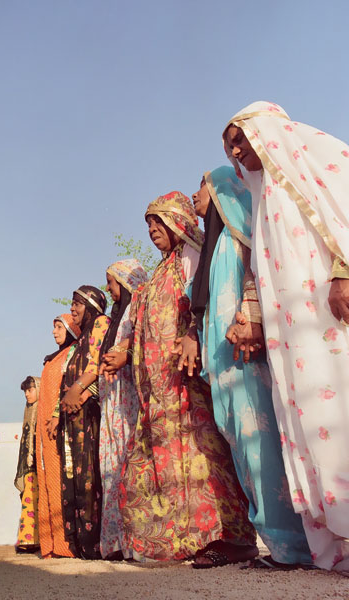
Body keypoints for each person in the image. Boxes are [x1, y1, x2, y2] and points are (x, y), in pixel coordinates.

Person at [224, 101, 349, 571]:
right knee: (310, 419)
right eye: (230, 145)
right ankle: (335, 541)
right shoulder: (262, 198)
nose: (237, 149)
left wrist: (343, 272)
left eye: (240, 136)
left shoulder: (315, 156)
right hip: (293, 336)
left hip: (331, 319)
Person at [118, 191, 257, 566]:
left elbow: (202, 302)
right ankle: (184, 537)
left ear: (177, 220)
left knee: (200, 453)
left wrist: (193, 333)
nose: (151, 231)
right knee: (165, 460)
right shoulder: (162, 268)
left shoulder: (191, 255)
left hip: (185, 381)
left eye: (157, 222)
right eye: (148, 225)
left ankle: (228, 536)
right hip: (158, 391)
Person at [184, 166, 312, 569]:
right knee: (242, 448)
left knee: (262, 448)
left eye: (200, 188)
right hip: (223, 365)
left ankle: (294, 546)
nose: (194, 196)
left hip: (246, 357)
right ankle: (278, 544)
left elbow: (260, 280)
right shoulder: (217, 243)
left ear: (221, 191)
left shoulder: (244, 234)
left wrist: (250, 319)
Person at [97, 259, 148, 560]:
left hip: (131, 399)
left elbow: (145, 341)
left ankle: (135, 541)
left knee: (130, 466)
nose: (108, 289)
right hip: (113, 404)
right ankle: (116, 542)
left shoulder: (137, 310)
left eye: (112, 282)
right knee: (112, 468)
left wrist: (126, 353)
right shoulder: (117, 316)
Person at [57, 286, 110, 559]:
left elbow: (97, 362)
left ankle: (94, 542)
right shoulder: (80, 340)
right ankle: (80, 542)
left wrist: (77, 390)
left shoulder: (101, 323)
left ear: (91, 305)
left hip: (90, 413)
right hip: (75, 416)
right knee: (76, 475)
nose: (73, 309)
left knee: (90, 475)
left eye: (77, 304)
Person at [36, 313, 80, 558]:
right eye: (53, 327)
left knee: (65, 481)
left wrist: (56, 416)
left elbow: (67, 386)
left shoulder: (73, 353)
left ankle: (66, 544)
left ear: (71, 329)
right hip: (45, 431)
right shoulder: (52, 359)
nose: (54, 332)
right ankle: (50, 543)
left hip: (62, 426)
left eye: (58, 327)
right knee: (48, 480)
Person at [14, 376, 41, 553]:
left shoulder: (42, 409)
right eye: (25, 391)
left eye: (30, 390)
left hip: (40, 463)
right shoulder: (28, 410)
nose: (27, 394)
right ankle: (29, 540)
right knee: (29, 499)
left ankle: (33, 540)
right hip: (29, 464)